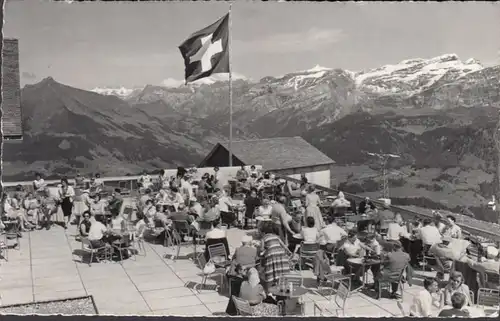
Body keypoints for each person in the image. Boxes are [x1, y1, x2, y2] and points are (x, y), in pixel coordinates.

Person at [259, 221, 291, 291]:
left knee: (271, 271)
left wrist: (262, 250)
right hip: (281, 254)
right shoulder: (276, 236)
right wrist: (289, 252)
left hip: (271, 255)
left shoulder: (263, 238)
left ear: (264, 231)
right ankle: (282, 287)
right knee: (280, 270)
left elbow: (261, 250)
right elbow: (284, 246)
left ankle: (269, 290)